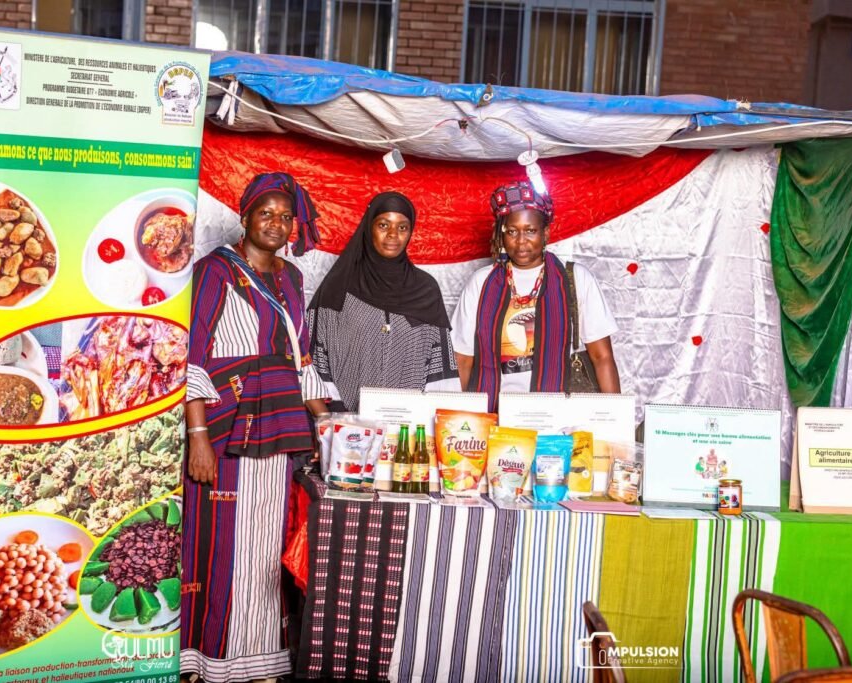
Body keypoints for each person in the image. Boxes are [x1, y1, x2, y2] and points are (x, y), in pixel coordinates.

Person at [181, 172, 328, 682]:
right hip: (225, 433)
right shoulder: (213, 272)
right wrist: (198, 438)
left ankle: (259, 660)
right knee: (223, 546)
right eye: (265, 213)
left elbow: (301, 359)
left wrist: (326, 422)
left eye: (286, 216)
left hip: (280, 432)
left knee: (266, 547)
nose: (277, 223)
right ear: (244, 217)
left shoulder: (292, 279)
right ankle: (209, 660)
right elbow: (192, 359)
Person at [451, 181, 620, 411]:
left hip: (559, 419)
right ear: (503, 235)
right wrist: (452, 419)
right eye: (512, 231)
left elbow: (602, 358)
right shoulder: (481, 283)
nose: (521, 241)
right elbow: (462, 360)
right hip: (496, 418)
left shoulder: (575, 279)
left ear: (546, 233)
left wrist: (615, 422)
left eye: (530, 230)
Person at [307, 191, 459, 412]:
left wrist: (437, 425)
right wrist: (337, 423)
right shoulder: (338, 287)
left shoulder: (425, 290)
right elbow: (314, 358)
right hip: (348, 428)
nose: (393, 235)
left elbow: (440, 363)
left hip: (409, 431)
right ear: (369, 228)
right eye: (383, 225)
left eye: (402, 227)